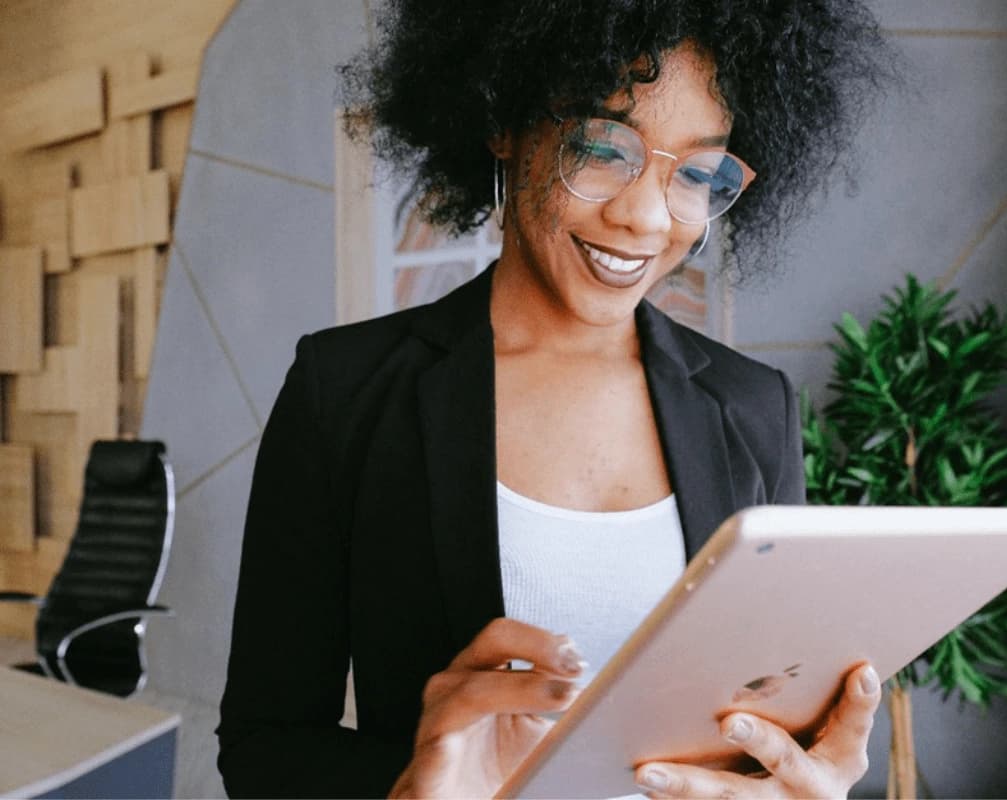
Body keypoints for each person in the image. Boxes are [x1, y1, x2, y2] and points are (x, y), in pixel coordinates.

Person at [217, 1, 889, 797]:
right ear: (504, 120)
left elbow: (772, 722)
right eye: (603, 149)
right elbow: (263, 747)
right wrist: (410, 785)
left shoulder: (752, 408)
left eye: (698, 174)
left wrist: (812, 778)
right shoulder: (348, 391)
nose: (645, 217)